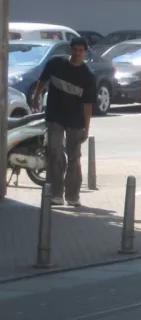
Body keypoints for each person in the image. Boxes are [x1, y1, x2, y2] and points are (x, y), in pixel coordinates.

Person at [31, 37, 96, 207]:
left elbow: (88, 105)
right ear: (70, 50)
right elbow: (42, 82)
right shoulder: (55, 64)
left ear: (85, 52)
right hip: (55, 116)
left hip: (75, 121)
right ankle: (55, 193)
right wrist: (36, 96)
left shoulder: (88, 76)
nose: (77, 53)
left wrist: (86, 129)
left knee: (74, 157)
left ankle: (73, 195)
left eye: (80, 50)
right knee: (55, 152)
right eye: (74, 49)